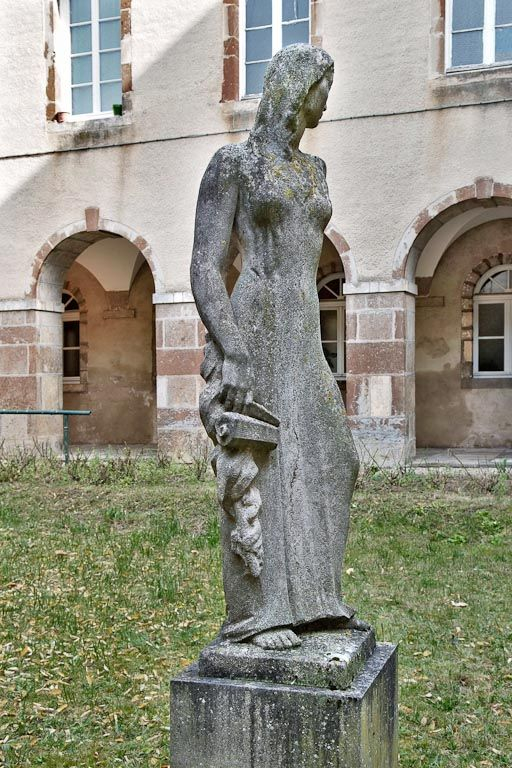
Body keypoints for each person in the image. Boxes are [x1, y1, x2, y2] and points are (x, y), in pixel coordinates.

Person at [191, 44, 364, 651]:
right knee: (257, 463)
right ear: (294, 89)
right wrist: (231, 348)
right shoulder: (234, 165)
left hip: (303, 327)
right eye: (322, 86)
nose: (326, 99)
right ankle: (261, 613)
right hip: (257, 320)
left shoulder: (314, 172)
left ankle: (316, 600)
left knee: (333, 458)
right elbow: (207, 266)